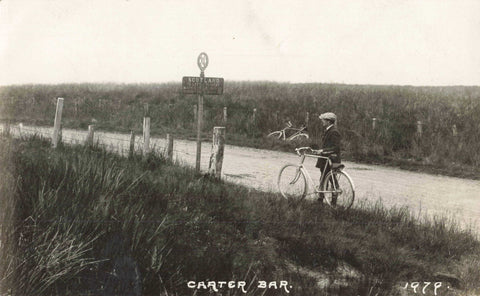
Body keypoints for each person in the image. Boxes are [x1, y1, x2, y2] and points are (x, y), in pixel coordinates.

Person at [312, 112, 342, 204]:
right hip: (325, 158)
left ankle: (333, 201)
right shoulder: (328, 130)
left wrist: (322, 151)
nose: (322, 122)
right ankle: (321, 198)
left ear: (328, 121)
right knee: (323, 177)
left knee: (331, 178)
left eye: (323, 120)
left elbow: (336, 148)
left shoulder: (334, 132)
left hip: (331, 158)